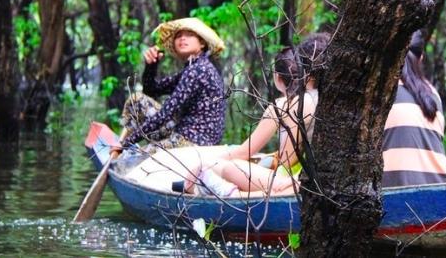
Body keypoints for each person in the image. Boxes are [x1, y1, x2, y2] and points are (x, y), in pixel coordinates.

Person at [187, 33, 330, 197]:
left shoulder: (298, 102)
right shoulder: (330, 99)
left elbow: (286, 160)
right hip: (318, 179)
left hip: (302, 182)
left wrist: (207, 163)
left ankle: (229, 192)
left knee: (232, 167)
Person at [120, 17, 227, 151]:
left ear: (202, 44)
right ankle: (120, 143)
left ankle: (121, 147)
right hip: (183, 133)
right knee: (136, 100)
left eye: (189, 35)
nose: (183, 38)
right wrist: (151, 66)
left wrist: (128, 142)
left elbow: (166, 114)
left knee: (144, 154)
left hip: (196, 142)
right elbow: (152, 90)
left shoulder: (199, 69)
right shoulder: (191, 68)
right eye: (179, 36)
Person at [381, 31, 446, 187]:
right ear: (421, 57)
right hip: (440, 188)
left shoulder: (381, 93)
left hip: (394, 190)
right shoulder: (432, 94)